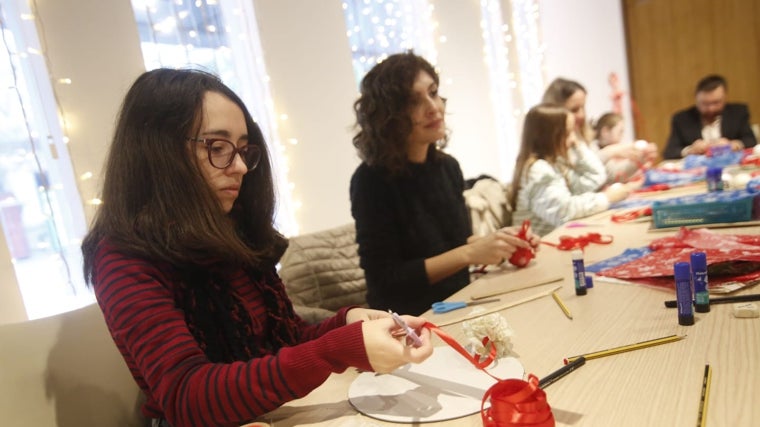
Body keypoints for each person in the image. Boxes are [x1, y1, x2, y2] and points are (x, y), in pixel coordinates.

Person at [81, 68, 433, 427]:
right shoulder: (122, 257)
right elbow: (187, 397)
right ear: (158, 152)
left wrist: (347, 325)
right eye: (217, 148)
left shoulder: (232, 230)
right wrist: (339, 348)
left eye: (242, 151)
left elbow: (286, 339)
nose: (238, 167)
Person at [349, 52, 540, 316]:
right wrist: (471, 252)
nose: (433, 107)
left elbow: (457, 241)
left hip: (462, 301)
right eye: (414, 101)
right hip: (412, 319)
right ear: (388, 117)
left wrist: (502, 242)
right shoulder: (370, 181)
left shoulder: (447, 167)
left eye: (433, 92)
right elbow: (386, 279)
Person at [510, 103, 632, 237]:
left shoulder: (555, 163)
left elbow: (593, 179)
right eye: (568, 133)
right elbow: (564, 212)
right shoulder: (538, 170)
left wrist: (578, 146)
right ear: (549, 136)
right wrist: (607, 197)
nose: (574, 138)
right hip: (542, 249)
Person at [542, 77, 655, 172]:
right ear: (555, 110)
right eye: (574, 109)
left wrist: (639, 161)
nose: (581, 115)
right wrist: (609, 152)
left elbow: (606, 175)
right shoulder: (549, 151)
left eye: (583, 108)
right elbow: (579, 179)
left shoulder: (582, 138)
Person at [662, 74, 757, 159]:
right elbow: (669, 152)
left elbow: (751, 141)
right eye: (705, 104)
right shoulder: (681, 119)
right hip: (698, 169)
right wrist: (690, 150)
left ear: (725, 97)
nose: (711, 109)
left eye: (716, 102)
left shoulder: (738, 112)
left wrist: (733, 144)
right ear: (696, 99)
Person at [591, 112, 657, 184]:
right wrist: (613, 150)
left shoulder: (609, 154)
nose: (622, 136)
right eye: (620, 132)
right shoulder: (592, 150)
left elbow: (614, 175)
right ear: (605, 131)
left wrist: (640, 161)